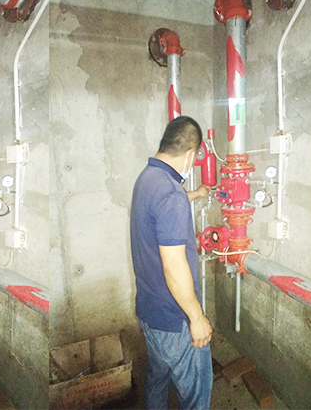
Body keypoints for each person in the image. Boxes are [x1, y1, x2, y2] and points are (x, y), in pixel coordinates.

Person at [130, 116, 213, 410]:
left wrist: (195, 194)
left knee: (158, 379)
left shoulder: (147, 179)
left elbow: (161, 209)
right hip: (175, 321)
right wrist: (197, 319)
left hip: (149, 312)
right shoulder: (170, 194)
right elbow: (174, 267)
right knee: (196, 395)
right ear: (191, 154)